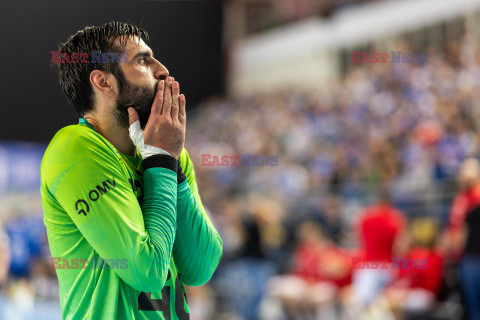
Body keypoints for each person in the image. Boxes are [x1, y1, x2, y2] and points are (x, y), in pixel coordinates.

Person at [40, 21, 223, 320]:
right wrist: (161, 160)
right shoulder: (74, 148)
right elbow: (147, 272)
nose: (162, 69)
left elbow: (201, 267)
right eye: (142, 60)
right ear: (104, 82)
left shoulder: (168, 152)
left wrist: (166, 162)